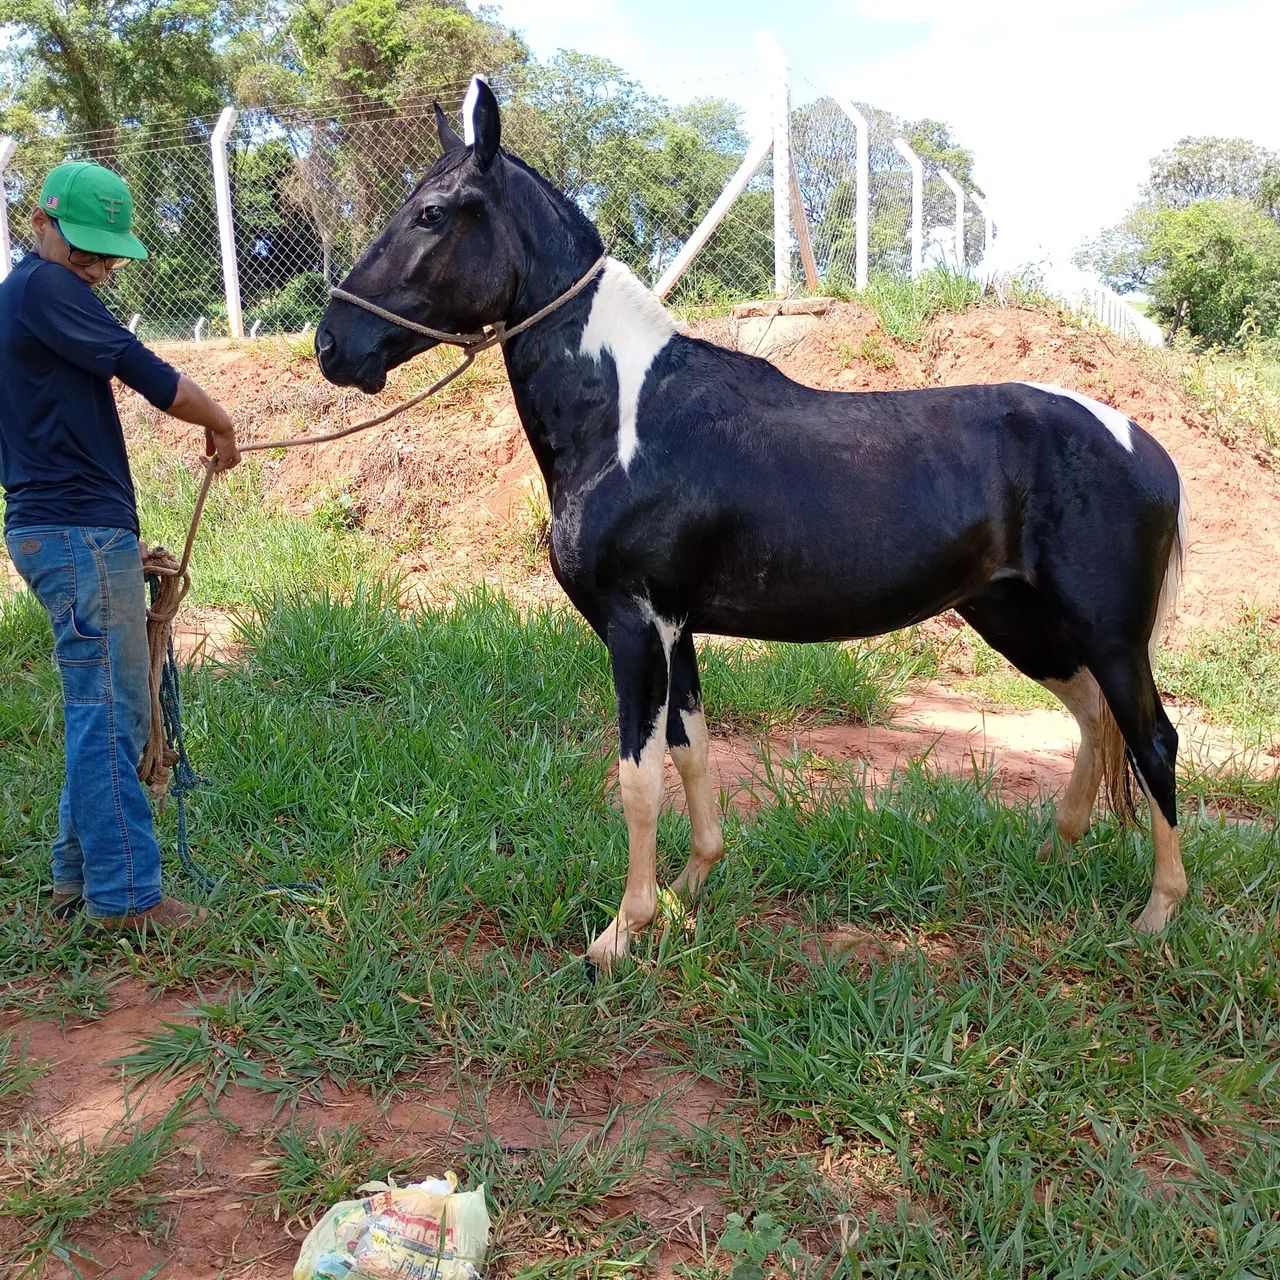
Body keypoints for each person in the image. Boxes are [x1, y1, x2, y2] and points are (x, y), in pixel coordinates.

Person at [0, 160, 242, 933]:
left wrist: (109, 548)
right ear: (39, 222)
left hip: (65, 530)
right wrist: (221, 422)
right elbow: (149, 374)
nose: (97, 268)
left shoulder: (22, 298)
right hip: (74, 531)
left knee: (99, 711)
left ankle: (77, 878)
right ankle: (128, 898)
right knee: (112, 716)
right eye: (84, 248)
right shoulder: (46, 288)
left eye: (108, 256)